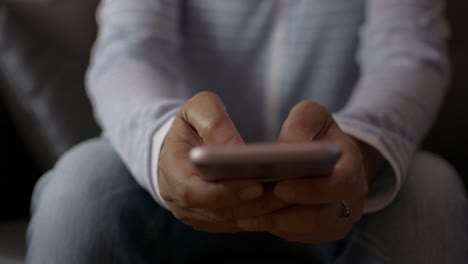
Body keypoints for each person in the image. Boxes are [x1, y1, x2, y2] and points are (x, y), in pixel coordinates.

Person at [26, 0, 468, 263]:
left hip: (344, 199)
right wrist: (161, 146)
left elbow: (408, 53)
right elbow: (129, 51)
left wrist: (364, 149)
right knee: (78, 186)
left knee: (431, 192)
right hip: (167, 194)